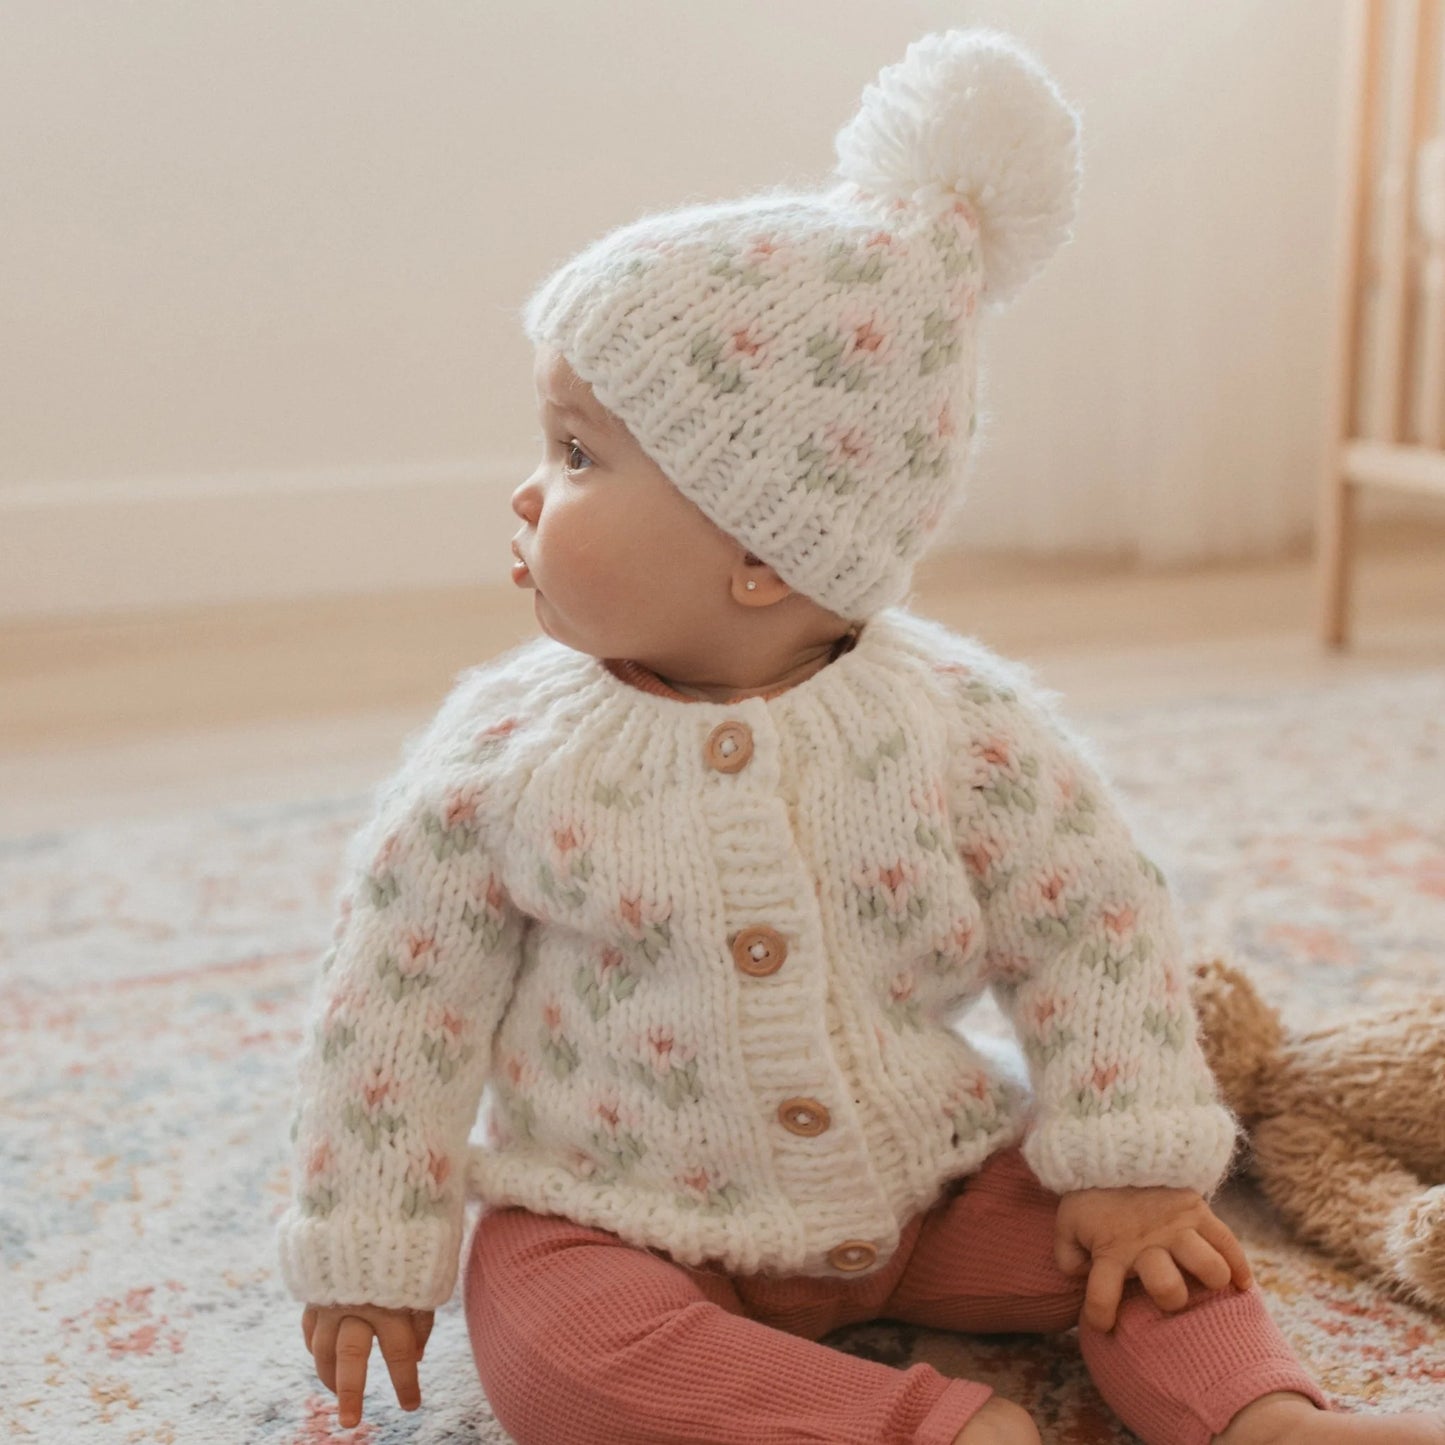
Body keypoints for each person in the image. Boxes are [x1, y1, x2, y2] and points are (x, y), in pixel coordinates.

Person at [278, 27, 1445, 1445]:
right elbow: (394, 1007)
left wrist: (1125, 1154)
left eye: (578, 453)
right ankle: (924, 1428)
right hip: (620, 1202)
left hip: (927, 1181)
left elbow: (1093, 927)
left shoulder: (959, 732)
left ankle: (1257, 1416)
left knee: (1153, 1237)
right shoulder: (502, 758)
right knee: (549, 1344)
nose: (527, 494)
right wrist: (367, 1249)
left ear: (762, 551)